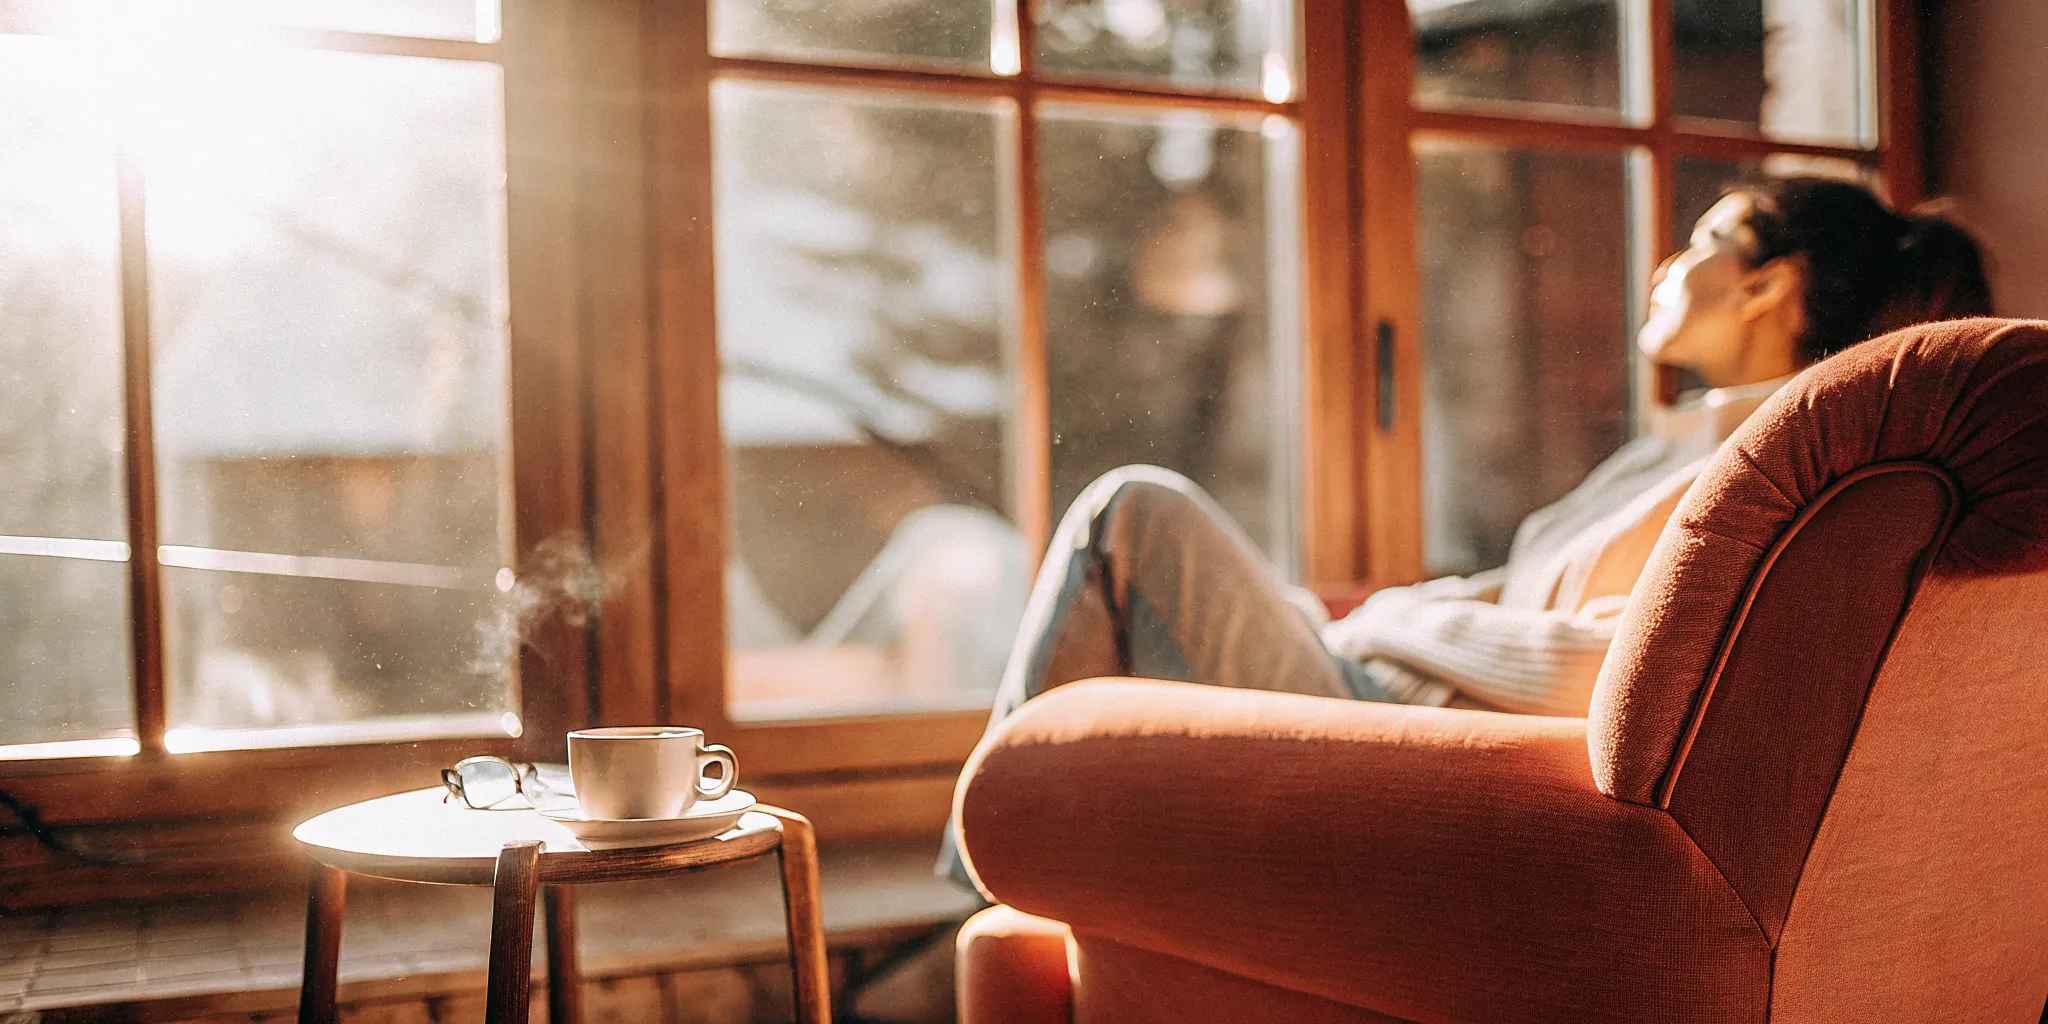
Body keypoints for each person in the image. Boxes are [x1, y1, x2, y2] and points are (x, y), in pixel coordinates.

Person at [940, 176, 1992, 887]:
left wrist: (1387, 622)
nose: (1664, 264)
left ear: (1770, 282)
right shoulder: (1677, 444)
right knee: (1144, 540)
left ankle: (980, 878)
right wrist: (1380, 616)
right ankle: (1013, 877)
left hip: (1405, 732)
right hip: (1382, 685)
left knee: (1131, 512)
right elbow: (1511, 592)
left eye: (1705, 241)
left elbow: (1614, 668)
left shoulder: (1762, 471)